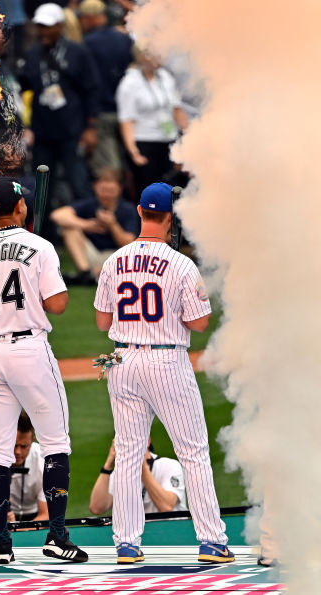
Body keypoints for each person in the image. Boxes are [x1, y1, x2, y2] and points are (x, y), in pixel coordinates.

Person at [93, 182, 232, 565]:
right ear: (171, 218)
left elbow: (103, 320)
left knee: (128, 452)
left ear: (139, 212)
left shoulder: (113, 261)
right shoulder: (182, 264)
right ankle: (211, 541)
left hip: (121, 360)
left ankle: (126, 543)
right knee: (193, 452)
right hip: (167, 362)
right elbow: (200, 323)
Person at [0, 177, 87, 564]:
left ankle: (0, 543)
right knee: (56, 442)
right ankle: (57, 536)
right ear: (19, 208)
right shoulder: (39, 246)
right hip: (28, 350)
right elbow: (59, 304)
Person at [19, 4, 101, 203]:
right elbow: (24, 87)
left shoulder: (77, 52)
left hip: (72, 130)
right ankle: (43, 231)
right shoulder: (32, 54)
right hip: (43, 132)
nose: (44, 31)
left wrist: (90, 128)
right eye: (40, 26)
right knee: (43, 188)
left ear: (60, 26)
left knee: (79, 183)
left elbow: (92, 89)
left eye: (48, 26)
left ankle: (89, 230)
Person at [115, 46, 189, 192]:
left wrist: (189, 136)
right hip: (145, 142)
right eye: (155, 55)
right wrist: (134, 152)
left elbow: (177, 109)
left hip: (168, 139)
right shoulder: (130, 83)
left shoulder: (165, 77)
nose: (159, 58)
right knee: (150, 190)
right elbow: (127, 121)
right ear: (143, 57)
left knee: (172, 188)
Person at [51, 171, 139, 285]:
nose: (106, 195)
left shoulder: (128, 209)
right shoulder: (90, 204)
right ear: (95, 187)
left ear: (119, 189)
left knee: (131, 251)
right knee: (69, 229)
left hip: (115, 257)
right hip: (91, 255)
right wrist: (86, 225)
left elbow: (129, 243)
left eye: (110, 191)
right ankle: (86, 274)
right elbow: (57, 215)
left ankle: (95, 274)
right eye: (103, 190)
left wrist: (113, 225)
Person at [80, 0, 133, 175]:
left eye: (83, 18)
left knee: (108, 165)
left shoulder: (87, 43)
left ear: (90, 17)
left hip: (102, 111)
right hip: (128, 111)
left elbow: (89, 82)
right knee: (129, 160)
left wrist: (90, 120)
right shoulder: (124, 39)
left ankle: (112, 201)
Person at [88, 439, 187, 515]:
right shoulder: (121, 473)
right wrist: (108, 465)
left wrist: (142, 469)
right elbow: (97, 508)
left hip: (171, 531)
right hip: (141, 535)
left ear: (147, 441)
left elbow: (166, 507)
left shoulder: (170, 465)